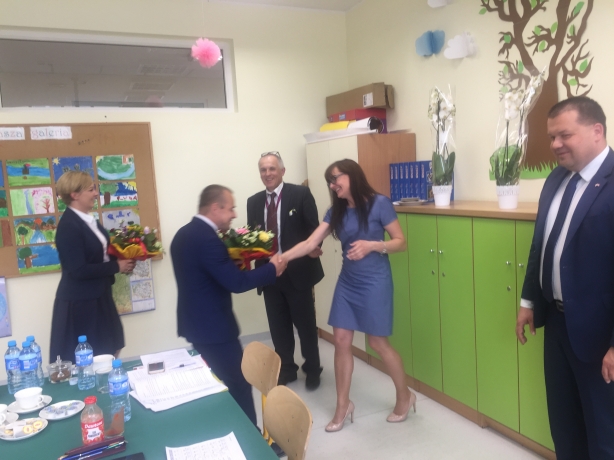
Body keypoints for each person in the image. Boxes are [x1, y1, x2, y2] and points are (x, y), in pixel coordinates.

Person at [279, 159, 415, 432]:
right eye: (329, 181)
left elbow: (401, 242)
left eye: (335, 179)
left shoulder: (379, 203)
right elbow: (310, 242)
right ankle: (343, 405)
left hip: (375, 281)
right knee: (341, 340)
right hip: (348, 282)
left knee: (378, 343)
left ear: (352, 175)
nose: (332, 185)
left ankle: (405, 396)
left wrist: (373, 245)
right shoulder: (336, 211)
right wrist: (282, 258)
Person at [516, 96, 614, 459]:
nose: (555, 144)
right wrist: (529, 300)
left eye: (564, 135)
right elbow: (541, 245)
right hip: (557, 325)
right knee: (564, 426)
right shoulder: (556, 179)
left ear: (596, 131)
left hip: (599, 333)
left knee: (603, 434)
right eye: (551, 137)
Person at [171, 185, 285, 426]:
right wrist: (272, 269)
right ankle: (250, 439)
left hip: (194, 324)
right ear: (216, 208)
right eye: (231, 208)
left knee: (218, 383)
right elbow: (237, 283)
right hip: (214, 329)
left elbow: (206, 276)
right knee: (238, 384)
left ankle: (228, 430)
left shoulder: (183, 234)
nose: (234, 214)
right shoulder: (207, 240)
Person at [247, 151, 324, 390]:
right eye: (263, 169)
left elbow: (315, 230)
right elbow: (253, 238)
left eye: (272, 168)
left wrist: (314, 248)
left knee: (306, 326)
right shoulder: (253, 202)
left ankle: (312, 369)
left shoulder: (300, 194)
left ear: (282, 171)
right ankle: (287, 369)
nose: (267, 173)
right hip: (269, 274)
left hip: (298, 272)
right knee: (278, 327)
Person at [50, 171, 136, 363]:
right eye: (90, 190)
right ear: (75, 194)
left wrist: (128, 255)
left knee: (113, 345)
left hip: (99, 294)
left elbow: (101, 255)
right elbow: (78, 270)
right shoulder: (69, 226)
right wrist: (116, 266)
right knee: (93, 357)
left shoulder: (89, 221)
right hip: (81, 302)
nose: (96, 193)